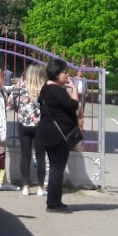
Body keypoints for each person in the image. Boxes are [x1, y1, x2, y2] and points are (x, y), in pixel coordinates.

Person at [35, 57, 81, 213]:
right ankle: (53, 204)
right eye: (64, 72)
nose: (66, 75)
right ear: (56, 73)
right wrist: (74, 89)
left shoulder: (45, 89)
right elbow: (73, 105)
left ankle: (54, 201)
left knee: (55, 168)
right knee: (57, 169)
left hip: (46, 133)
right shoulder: (56, 90)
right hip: (58, 135)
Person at [10, 63, 45, 197]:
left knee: (25, 156)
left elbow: (11, 104)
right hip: (40, 125)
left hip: (23, 123)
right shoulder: (44, 88)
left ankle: (26, 186)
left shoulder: (20, 86)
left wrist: (21, 107)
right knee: (40, 156)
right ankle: (41, 187)